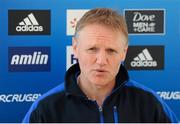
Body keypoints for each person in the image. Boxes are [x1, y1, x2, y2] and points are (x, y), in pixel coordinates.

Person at [22, 8, 178, 123]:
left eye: (111, 51)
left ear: (124, 52)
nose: (101, 60)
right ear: (75, 48)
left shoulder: (149, 103)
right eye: (92, 49)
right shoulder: (46, 108)